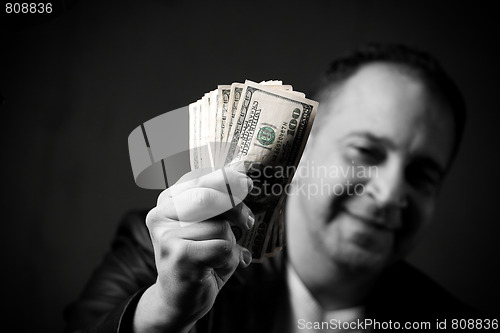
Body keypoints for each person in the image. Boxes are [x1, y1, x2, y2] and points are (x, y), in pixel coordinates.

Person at [64, 43, 479, 333]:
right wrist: (162, 313)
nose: (390, 194)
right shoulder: (164, 255)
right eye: (366, 151)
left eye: (422, 174)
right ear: (300, 149)